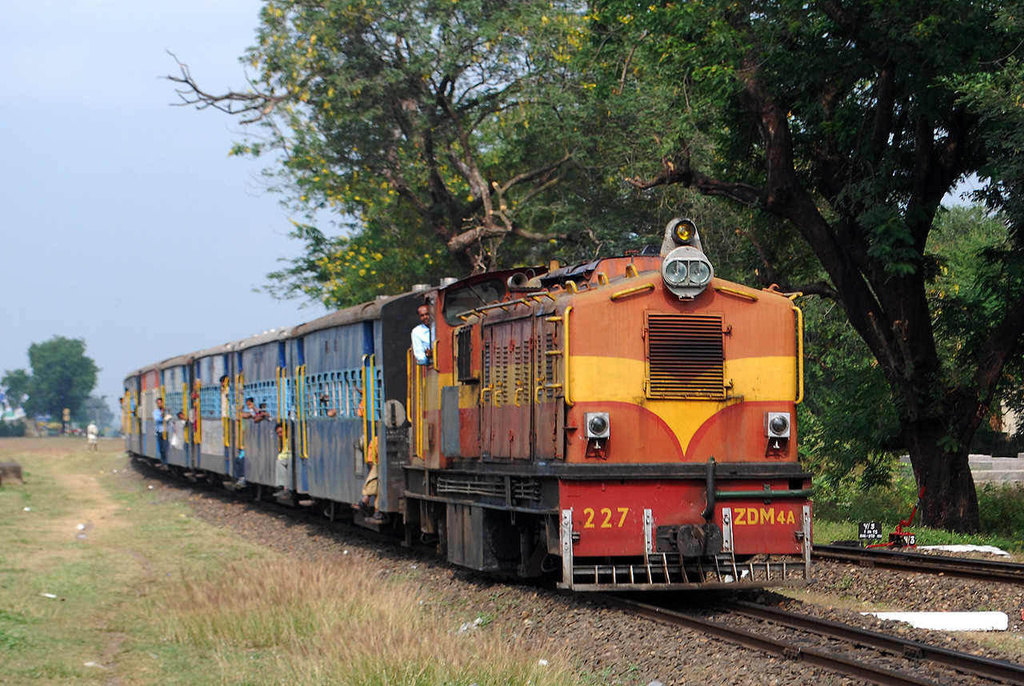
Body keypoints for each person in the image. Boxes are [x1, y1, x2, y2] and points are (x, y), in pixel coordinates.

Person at [274, 421, 292, 498]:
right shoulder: (285, 441)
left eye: (281, 432)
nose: (280, 435)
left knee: (280, 462)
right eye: (278, 433)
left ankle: (284, 487)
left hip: (290, 457)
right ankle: (282, 487)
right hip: (287, 457)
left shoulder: (290, 439)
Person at [153, 397, 169, 467]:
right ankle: (163, 462)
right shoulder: (155, 412)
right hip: (159, 431)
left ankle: (166, 462)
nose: (159, 404)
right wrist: (162, 415)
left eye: (160, 403)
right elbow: (158, 419)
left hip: (166, 431)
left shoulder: (166, 410)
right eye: (158, 403)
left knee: (165, 447)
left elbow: (168, 418)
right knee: (161, 448)